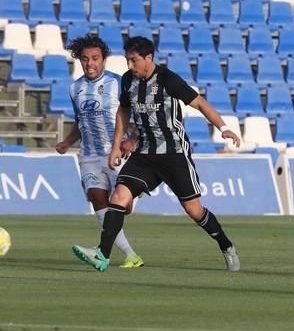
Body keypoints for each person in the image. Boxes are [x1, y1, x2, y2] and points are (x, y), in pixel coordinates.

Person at [72, 36, 241, 273]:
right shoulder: (129, 80)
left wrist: (223, 128)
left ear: (148, 57)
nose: (129, 66)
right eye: (128, 60)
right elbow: (123, 111)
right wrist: (115, 147)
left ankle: (226, 245)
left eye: (134, 60)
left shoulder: (168, 79)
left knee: (194, 211)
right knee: (118, 197)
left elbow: (200, 103)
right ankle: (103, 254)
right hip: (144, 155)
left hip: (174, 155)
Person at [55, 34, 144, 269]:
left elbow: (139, 116)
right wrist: (67, 142)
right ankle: (130, 255)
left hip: (116, 154)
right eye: (85, 59)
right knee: (98, 199)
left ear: (104, 60)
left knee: (122, 206)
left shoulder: (119, 83)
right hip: (89, 156)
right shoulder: (75, 89)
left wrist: (133, 138)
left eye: (95, 58)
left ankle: (133, 196)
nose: (90, 64)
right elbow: (80, 121)